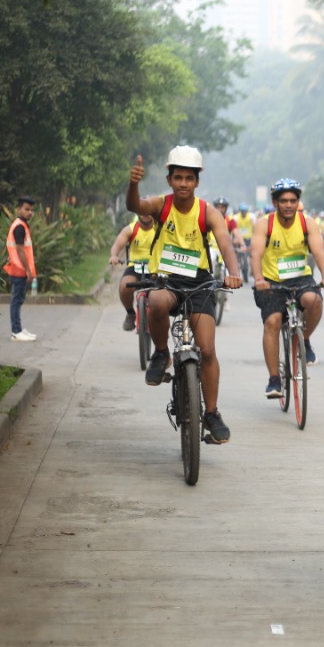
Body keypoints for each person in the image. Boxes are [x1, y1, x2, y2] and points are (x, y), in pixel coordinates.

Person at [126, 147, 243, 443]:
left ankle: (212, 413)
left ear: (197, 182)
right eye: (177, 177)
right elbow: (136, 205)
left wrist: (233, 271)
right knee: (156, 301)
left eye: (188, 178)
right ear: (169, 179)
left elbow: (226, 245)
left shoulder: (207, 212)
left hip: (200, 282)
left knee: (207, 349)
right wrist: (134, 184)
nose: (182, 183)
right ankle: (162, 352)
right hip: (166, 280)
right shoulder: (160, 206)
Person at [250, 179, 324, 396]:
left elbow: (318, 252)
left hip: (300, 278)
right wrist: (259, 278)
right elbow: (256, 254)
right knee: (273, 321)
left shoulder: (308, 223)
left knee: (314, 301)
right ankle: (274, 380)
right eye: (284, 201)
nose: (289, 205)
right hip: (271, 281)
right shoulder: (264, 224)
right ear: (275, 202)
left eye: (293, 201)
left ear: (298, 202)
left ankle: (304, 339)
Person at [107, 213, 157, 331]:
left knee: (162, 292)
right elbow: (117, 244)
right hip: (135, 266)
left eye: (149, 211)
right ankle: (130, 313)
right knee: (124, 286)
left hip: (156, 267)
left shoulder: (160, 228)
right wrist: (114, 256)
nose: (146, 214)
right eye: (142, 211)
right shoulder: (130, 229)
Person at [4, 195, 39, 342]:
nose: (29, 212)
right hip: (19, 270)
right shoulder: (19, 227)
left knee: (18, 300)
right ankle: (16, 332)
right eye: (26, 209)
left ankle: (18, 329)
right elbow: (19, 250)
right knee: (16, 300)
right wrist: (28, 270)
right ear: (19, 210)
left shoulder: (21, 225)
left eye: (31, 210)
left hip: (18, 268)